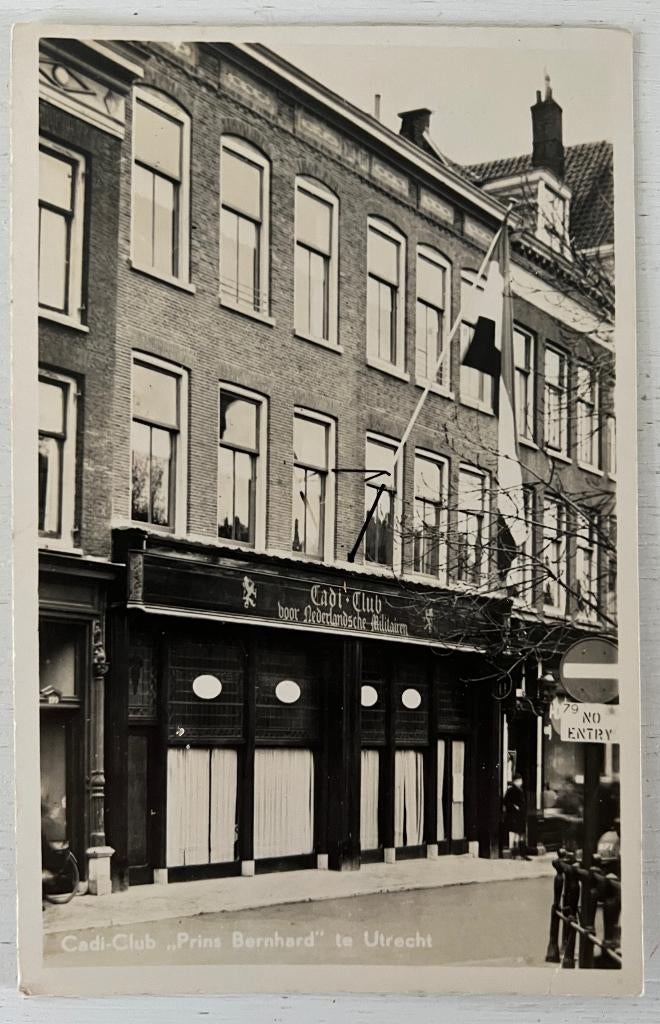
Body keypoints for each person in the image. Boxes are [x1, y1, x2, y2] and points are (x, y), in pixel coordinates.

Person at [503, 773, 530, 859]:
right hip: (514, 816)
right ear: (515, 781)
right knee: (515, 834)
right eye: (518, 780)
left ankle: (522, 853)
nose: (520, 782)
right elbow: (506, 801)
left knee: (521, 834)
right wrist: (515, 807)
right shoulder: (511, 790)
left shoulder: (521, 790)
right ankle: (516, 853)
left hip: (521, 815)